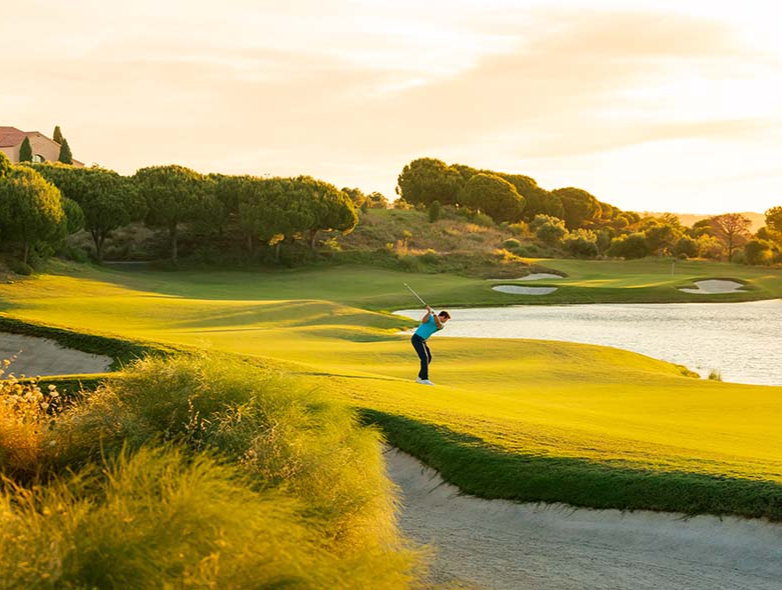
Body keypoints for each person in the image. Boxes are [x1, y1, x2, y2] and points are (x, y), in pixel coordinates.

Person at [411, 305, 450, 385]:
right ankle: (424, 379)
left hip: (422, 340)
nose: (445, 321)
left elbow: (438, 324)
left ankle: (420, 377)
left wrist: (434, 315)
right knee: (424, 358)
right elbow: (424, 321)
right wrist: (428, 312)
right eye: (446, 319)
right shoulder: (430, 317)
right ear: (443, 317)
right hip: (416, 338)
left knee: (429, 357)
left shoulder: (441, 325)